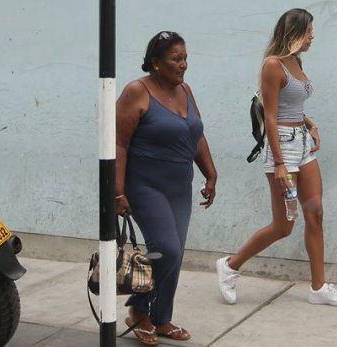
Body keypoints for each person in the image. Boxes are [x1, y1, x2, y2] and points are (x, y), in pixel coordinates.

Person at [216, 9, 337, 307]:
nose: (312, 36)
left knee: (315, 211)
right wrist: (279, 163)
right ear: (294, 33)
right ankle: (230, 265)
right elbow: (270, 113)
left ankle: (318, 288)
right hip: (282, 150)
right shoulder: (273, 65)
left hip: (302, 145)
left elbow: (290, 106)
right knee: (284, 225)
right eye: (308, 31)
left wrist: (309, 123)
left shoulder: (296, 62)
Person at [115, 31, 217, 345]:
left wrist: (211, 174)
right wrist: (117, 191)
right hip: (145, 185)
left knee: (174, 254)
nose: (183, 64)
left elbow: (195, 134)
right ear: (156, 63)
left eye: (185, 58)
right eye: (176, 59)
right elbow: (118, 142)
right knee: (167, 248)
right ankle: (137, 310)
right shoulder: (137, 90)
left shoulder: (185, 90)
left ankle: (161, 318)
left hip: (179, 186)